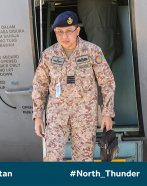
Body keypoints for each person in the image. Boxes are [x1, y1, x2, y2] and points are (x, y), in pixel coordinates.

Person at [32, 11, 115, 161]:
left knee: (83, 162)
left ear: (77, 31)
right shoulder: (48, 55)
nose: (64, 36)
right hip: (57, 116)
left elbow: (107, 82)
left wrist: (107, 113)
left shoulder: (92, 51)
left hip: (84, 117)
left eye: (69, 31)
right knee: (52, 158)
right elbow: (40, 85)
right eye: (59, 32)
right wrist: (37, 116)